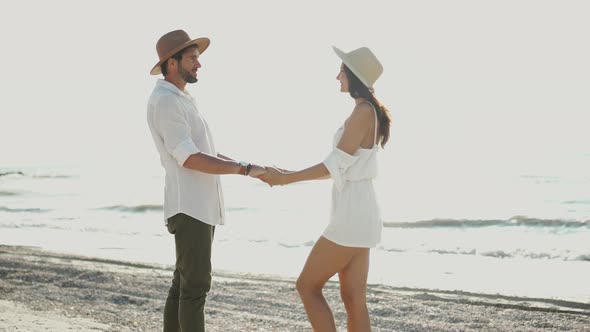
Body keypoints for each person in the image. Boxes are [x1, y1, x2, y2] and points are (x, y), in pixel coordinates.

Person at [259, 46, 391, 331]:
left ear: (353, 75)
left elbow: (335, 165)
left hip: (352, 214)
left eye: (341, 71)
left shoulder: (363, 112)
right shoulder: (367, 111)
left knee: (307, 286)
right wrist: (287, 174)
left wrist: (286, 179)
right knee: (353, 296)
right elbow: (338, 167)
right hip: (362, 210)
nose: (337, 76)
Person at [146, 29, 266, 332]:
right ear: (172, 63)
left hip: (196, 206)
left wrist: (249, 166)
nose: (199, 64)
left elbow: (204, 151)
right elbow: (189, 157)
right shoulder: (166, 102)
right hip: (191, 207)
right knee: (195, 287)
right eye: (192, 58)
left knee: (184, 283)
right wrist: (243, 169)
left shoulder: (179, 99)